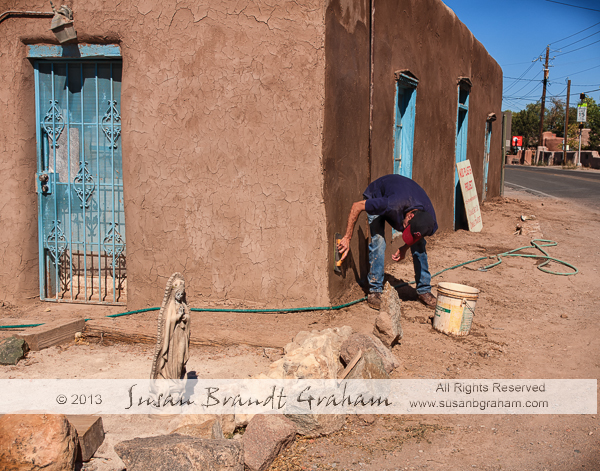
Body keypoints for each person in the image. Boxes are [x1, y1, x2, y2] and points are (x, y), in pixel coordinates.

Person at [337, 174, 438, 310]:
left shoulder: (430, 221)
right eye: (406, 227)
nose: (403, 230)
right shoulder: (391, 204)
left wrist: (404, 248)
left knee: (419, 245)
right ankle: (375, 291)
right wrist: (347, 238)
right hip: (378, 194)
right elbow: (356, 206)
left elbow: (417, 237)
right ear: (410, 215)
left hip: (401, 195)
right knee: (379, 241)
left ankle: (424, 290)